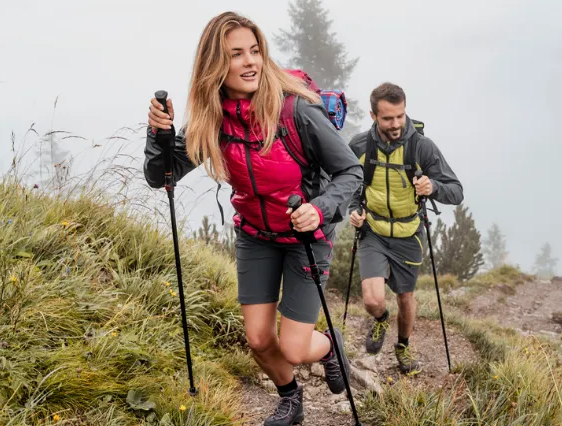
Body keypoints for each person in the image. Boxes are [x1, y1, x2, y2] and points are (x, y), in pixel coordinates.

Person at [143, 11, 363, 426]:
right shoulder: (213, 117)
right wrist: (159, 135)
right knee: (259, 340)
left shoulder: (295, 112)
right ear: (214, 67)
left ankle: (330, 346)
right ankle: (291, 399)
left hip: (305, 236)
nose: (250, 62)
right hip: (256, 235)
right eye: (235, 55)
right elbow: (163, 177)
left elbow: (351, 170)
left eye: (254, 51)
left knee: (295, 347)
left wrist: (319, 210)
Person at [348, 82, 463, 376]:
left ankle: (403, 345)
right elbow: (346, 181)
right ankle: (381, 319)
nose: (396, 124)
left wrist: (432, 186)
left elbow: (456, 191)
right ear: (374, 116)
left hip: (409, 234)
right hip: (373, 231)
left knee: (405, 298)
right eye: (388, 118)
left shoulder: (421, 147)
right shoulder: (360, 146)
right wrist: (353, 209)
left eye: (400, 116)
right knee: (373, 299)